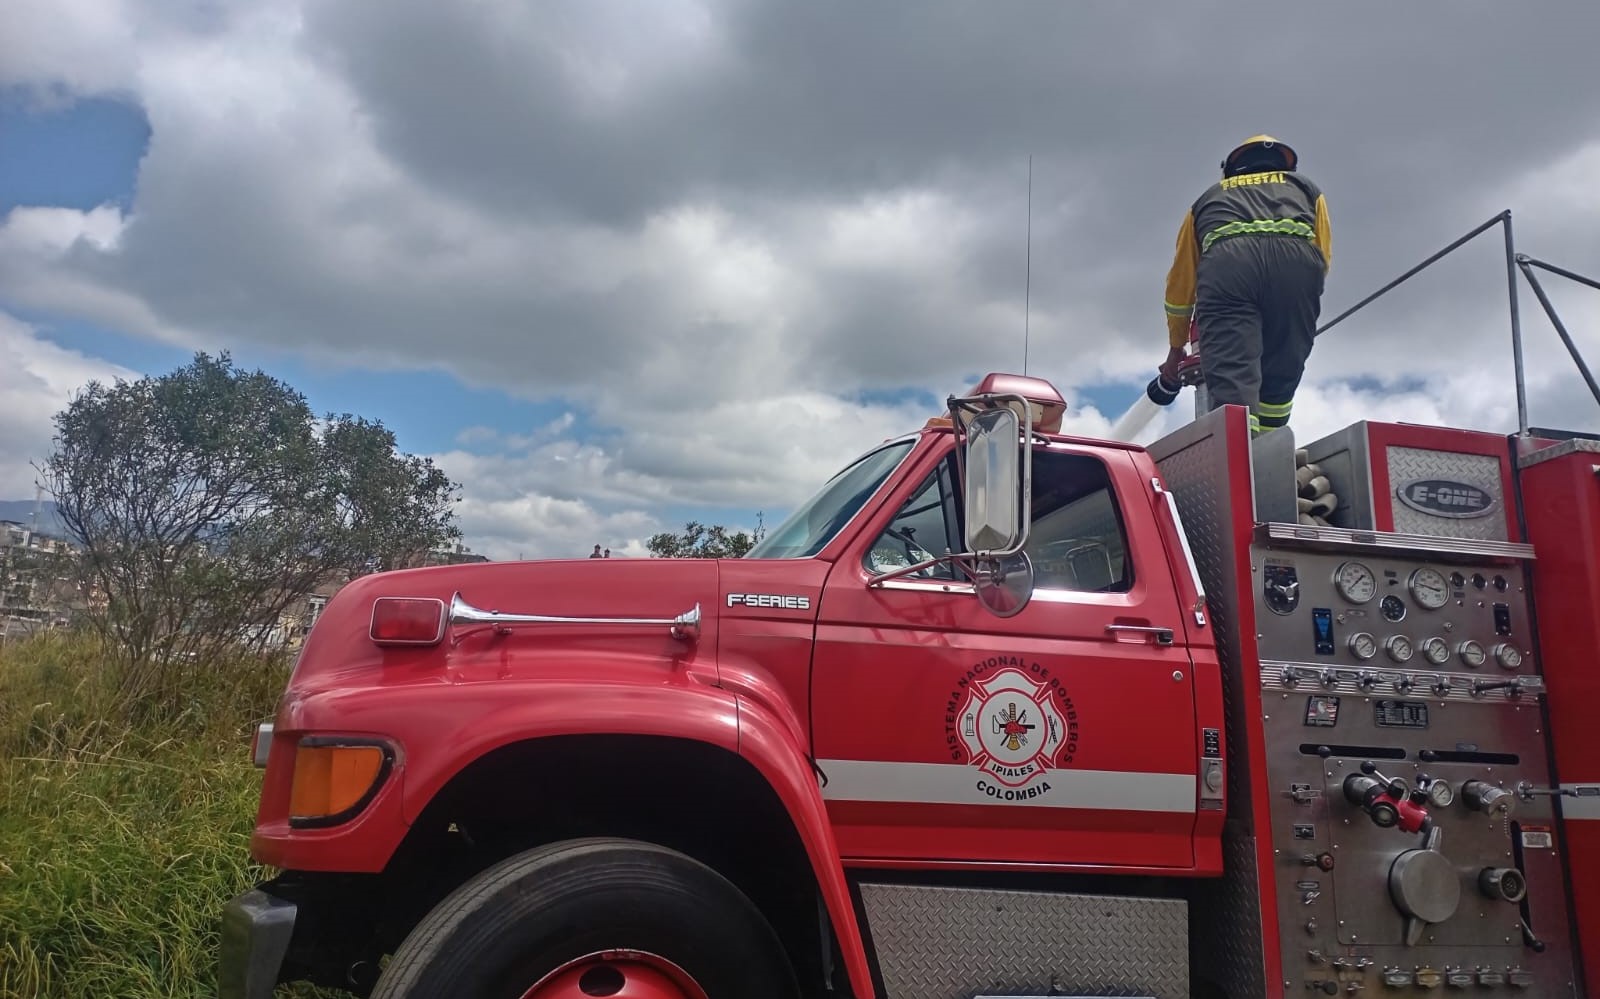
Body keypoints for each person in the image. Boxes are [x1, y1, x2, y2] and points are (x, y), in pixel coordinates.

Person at [1160, 135, 1331, 435]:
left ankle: (1240, 455)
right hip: (1296, 269)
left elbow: (1181, 282)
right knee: (1282, 369)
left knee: (1232, 378)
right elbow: (1323, 251)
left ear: (1233, 168)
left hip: (1229, 270)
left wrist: (1176, 347)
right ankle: (1270, 450)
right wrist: (1296, 300)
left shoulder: (1207, 199)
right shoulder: (1306, 189)